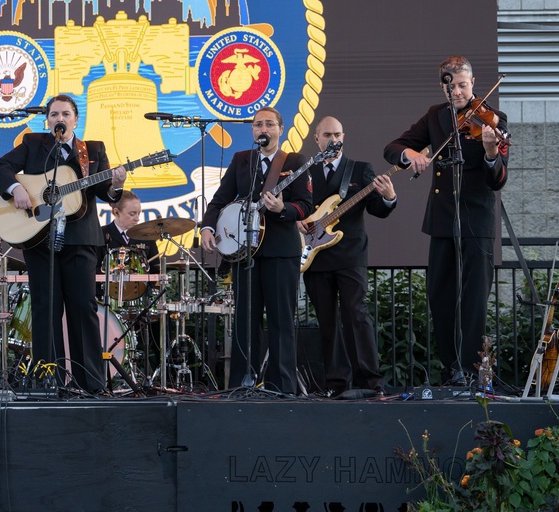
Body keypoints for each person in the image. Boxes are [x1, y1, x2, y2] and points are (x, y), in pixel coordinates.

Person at [0, 94, 126, 394]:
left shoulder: (92, 150)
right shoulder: (34, 144)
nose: (59, 119)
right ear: (47, 120)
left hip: (81, 239)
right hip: (40, 239)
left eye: (65, 114)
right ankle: (47, 381)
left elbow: (104, 191)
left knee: (82, 308)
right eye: (53, 114)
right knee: (44, 308)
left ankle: (90, 383)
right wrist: (16, 190)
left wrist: (116, 184)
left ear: (76, 119)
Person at [384, 55, 508, 385]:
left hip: (476, 222)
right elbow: (392, 147)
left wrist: (492, 153)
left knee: (474, 298)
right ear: (444, 86)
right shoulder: (435, 117)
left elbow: (497, 181)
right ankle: (452, 367)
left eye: (464, 85)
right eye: (452, 87)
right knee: (441, 296)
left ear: (473, 83)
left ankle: (472, 370)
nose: (458, 92)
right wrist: (410, 155)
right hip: (441, 220)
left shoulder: (493, 119)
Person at [199, 106, 312, 395]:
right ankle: (240, 385)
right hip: (245, 255)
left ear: (280, 129)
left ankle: (283, 387)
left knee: (281, 322)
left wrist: (282, 209)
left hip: (280, 252)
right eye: (258, 125)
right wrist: (208, 227)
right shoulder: (241, 160)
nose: (263, 129)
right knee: (244, 324)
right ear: (252, 131)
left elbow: (305, 205)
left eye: (269, 124)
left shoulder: (296, 161)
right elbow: (220, 199)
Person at [298, 116, 397, 397]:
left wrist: (389, 196)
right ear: (316, 139)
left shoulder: (360, 170)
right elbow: (298, 208)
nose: (333, 140)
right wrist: (298, 222)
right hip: (316, 256)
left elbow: (378, 208)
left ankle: (370, 382)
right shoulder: (306, 173)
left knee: (356, 315)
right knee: (327, 321)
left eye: (338, 134)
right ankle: (335, 383)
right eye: (327, 135)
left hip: (351, 254)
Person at [97, 190, 160, 301]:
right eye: (132, 214)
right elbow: (92, 268)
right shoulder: (100, 234)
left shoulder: (146, 237)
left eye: (138, 213)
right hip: (106, 299)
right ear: (116, 212)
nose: (137, 218)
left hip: (141, 300)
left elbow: (156, 268)